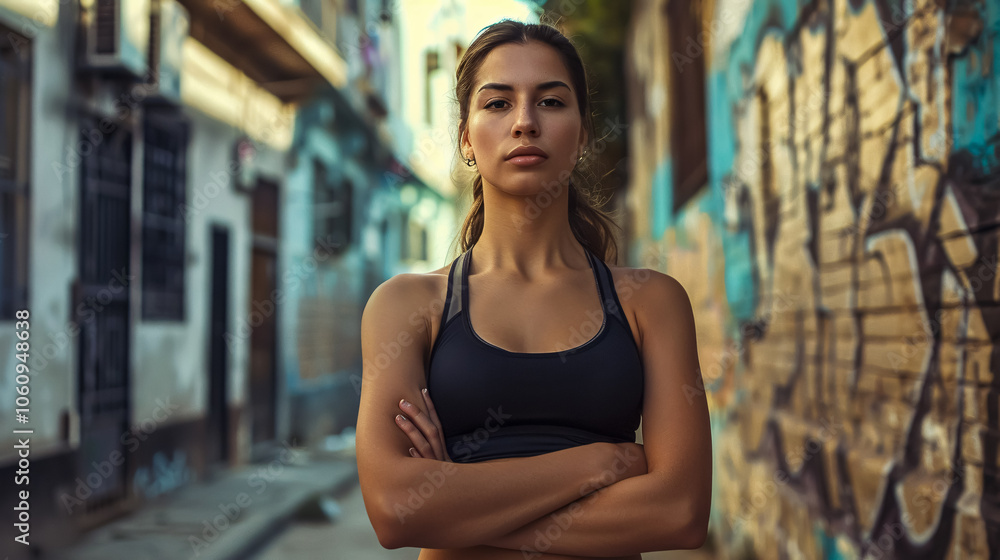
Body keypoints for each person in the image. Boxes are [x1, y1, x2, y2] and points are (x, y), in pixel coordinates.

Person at [357, 18, 712, 559]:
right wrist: (602, 463)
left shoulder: (651, 302)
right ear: (466, 138)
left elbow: (680, 513)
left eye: (550, 102)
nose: (524, 122)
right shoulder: (406, 306)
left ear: (583, 133)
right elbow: (395, 511)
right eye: (497, 103)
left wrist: (456, 508)